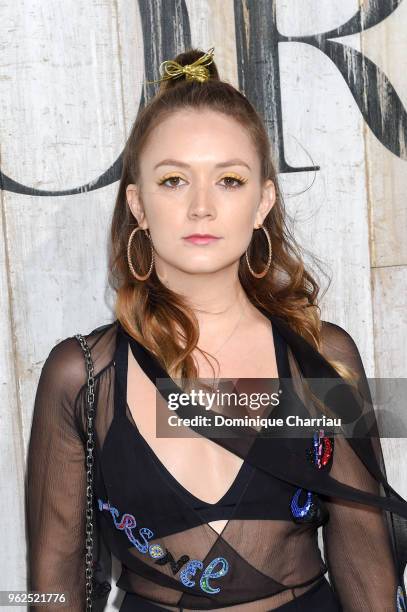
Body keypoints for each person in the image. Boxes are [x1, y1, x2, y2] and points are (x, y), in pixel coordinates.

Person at [26, 47, 407, 612]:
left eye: (229, 180)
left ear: (263, 201)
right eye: (174, 180)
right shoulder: (81, 377)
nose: (201, 207)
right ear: (138, 204)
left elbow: (365, 564)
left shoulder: (321, 358)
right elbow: (52, 586)